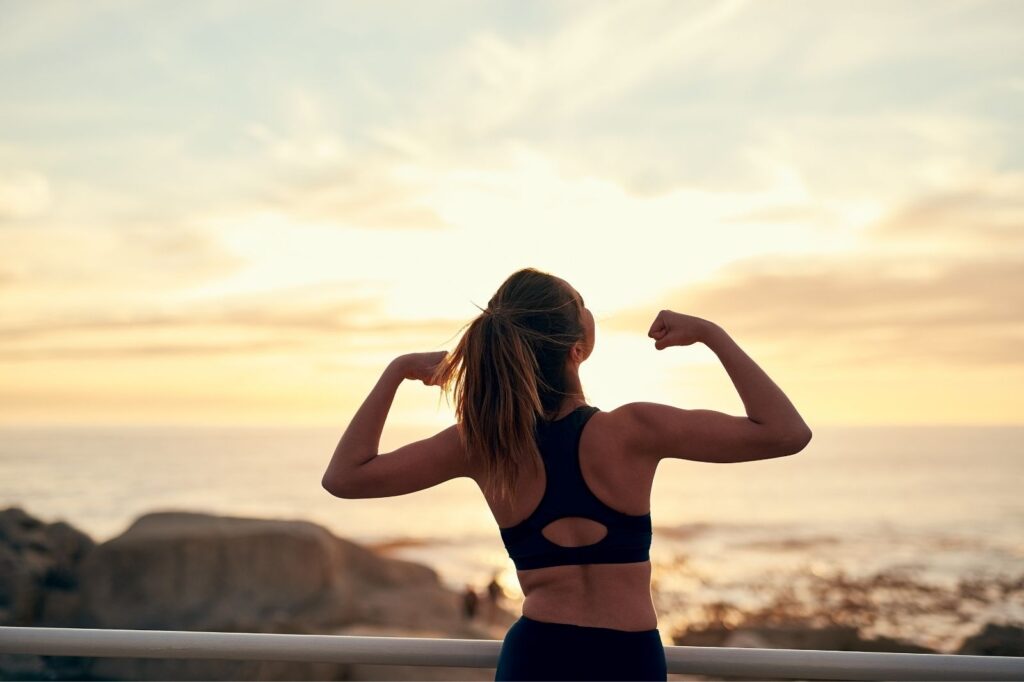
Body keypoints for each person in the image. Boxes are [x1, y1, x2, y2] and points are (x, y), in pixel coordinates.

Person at [322, 267, 813, 681]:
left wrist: (397, 371)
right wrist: (710, 333)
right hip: (627, 659)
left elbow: (345, 477)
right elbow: (785, 432)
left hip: (536, 656)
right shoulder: (635, 429)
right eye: (582, 303)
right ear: (576, 347)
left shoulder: (482, 445)